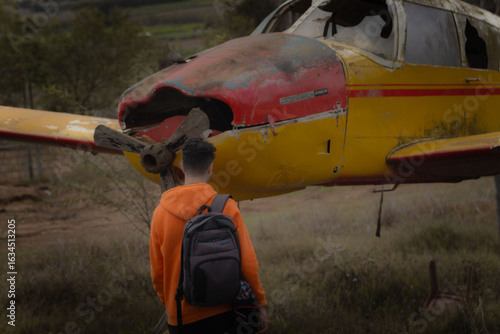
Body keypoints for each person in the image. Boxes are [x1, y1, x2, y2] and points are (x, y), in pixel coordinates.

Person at [150, 138, 268, 334]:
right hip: (224, 310)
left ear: (182, 167)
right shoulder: (226, 207)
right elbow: (248, 264)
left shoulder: (160, 213)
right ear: (210, 168)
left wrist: (171, 303)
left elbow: (157, 273)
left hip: (180, 315)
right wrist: (260, 302)